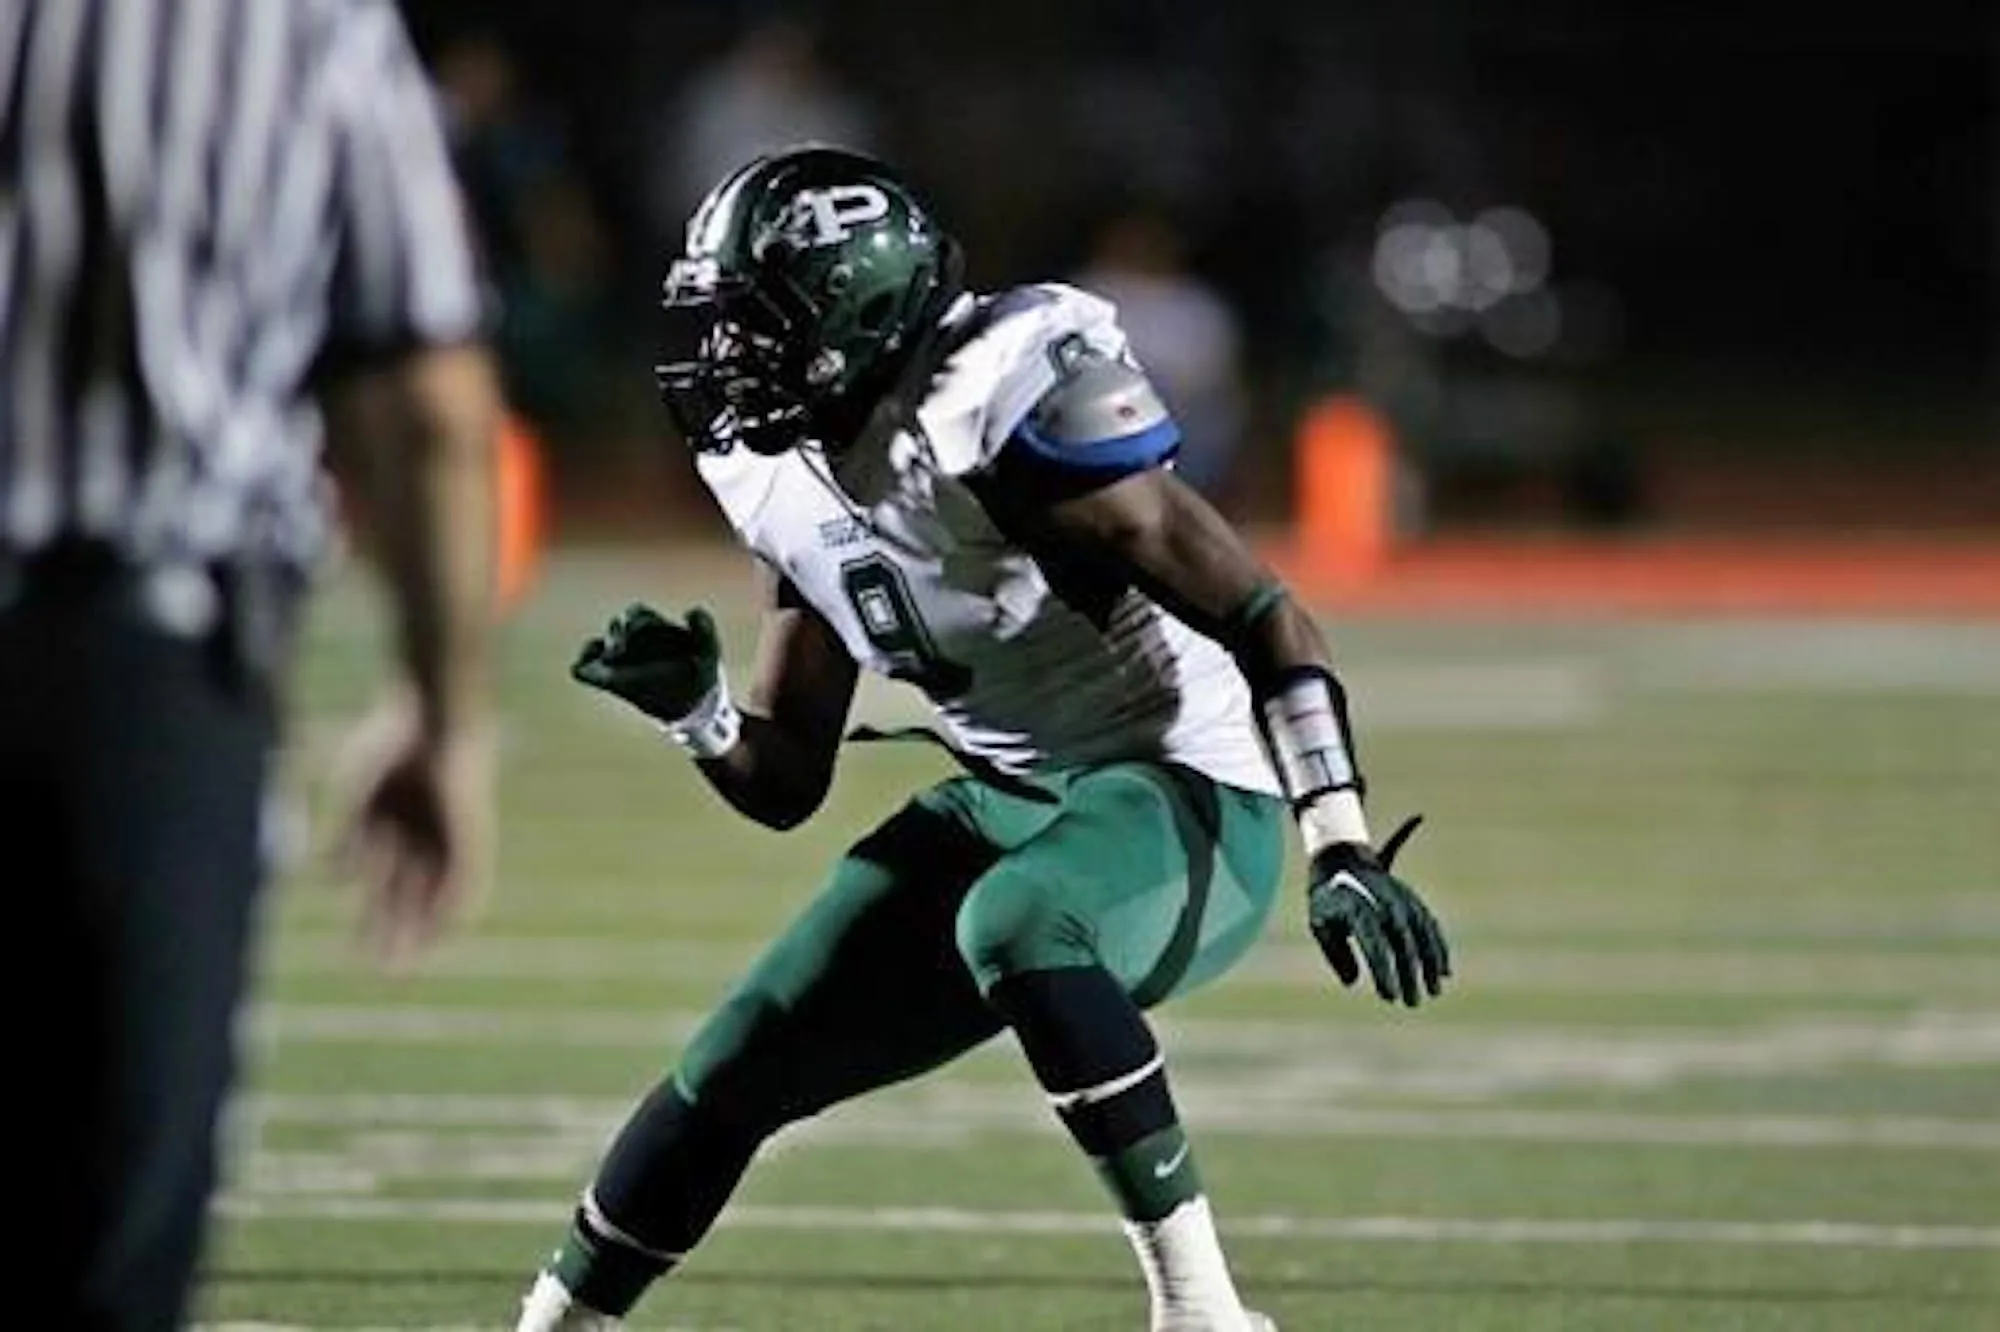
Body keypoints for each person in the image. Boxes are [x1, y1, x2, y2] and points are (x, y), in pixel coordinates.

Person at [516, 145, 1450, 1332]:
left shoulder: (997, 402)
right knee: (736, 1057)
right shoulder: (777, 470)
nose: (724, 358)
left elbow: (1266, 614)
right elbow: (786, 776)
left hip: (1186, 794)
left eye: (755, 324)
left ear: (850, 310)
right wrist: (698, 717)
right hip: (1007, 793)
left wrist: (1341, 842)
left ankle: (1206, 1315)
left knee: (1011, 919)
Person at [0, 1, 504, 1327]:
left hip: (131, 651)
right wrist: (444, 717)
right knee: (101, 1234)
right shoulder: (295, 25)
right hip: (128, 677)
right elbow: (433, 400)